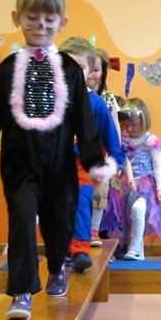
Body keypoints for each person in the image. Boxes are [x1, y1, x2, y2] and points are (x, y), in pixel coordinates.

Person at [0, 0, 112, 320]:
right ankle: (21, 291)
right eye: (32, 18)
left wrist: (94, 161)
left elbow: (84, 120)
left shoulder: (70, 70)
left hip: (59, 165)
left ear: (61, 22)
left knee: (60, 221)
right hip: (19, 163)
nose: (41, 25)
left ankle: (56, 268)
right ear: (17, 18)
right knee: (22, 220)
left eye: (49, 19)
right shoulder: (8, 70)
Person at [58, 37, 127, 272]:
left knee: (82, 200)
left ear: (89, 72)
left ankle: (80, 249)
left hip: (83, 163)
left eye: (79, 67)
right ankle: (63, 246)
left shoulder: (95, 102)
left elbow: (110, 134)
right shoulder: (54, 99)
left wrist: (117, 159)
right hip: (56, 163)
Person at [116, 97, 161, 259]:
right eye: (125, 125)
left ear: (143, 120)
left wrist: (160, 189)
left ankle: (134, 248)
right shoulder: (123, 140)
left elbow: (158, 165)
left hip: (147, 187)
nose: (129, 128)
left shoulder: (150, 141)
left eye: (133, 124)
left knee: (138, 209)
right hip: (128, 186)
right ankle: (137, 251)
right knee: (129, 219)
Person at [90, 47, 129, 244]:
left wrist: (116, 157)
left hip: (101, 154)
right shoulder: (72, 95)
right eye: (88, 68)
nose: (91, 74)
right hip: (75, 154)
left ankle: (93, 230)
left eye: (96, 69)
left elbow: (114, 128)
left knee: (100, 192)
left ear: (103, 72)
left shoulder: (107, 98)